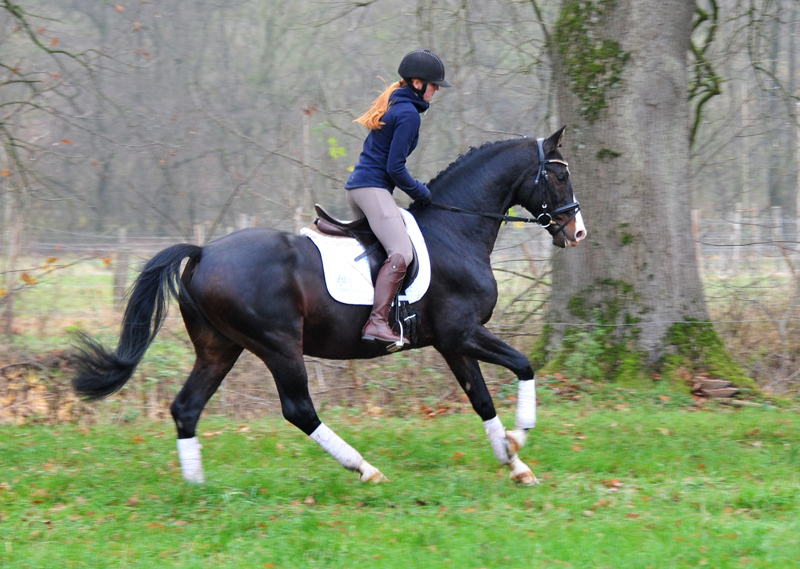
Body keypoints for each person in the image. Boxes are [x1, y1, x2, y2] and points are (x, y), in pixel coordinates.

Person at [345, 49, 451, 348]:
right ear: (418, 84)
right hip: (372, 189)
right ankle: (378, 321)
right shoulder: (407, 115)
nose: (436, 91)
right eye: (434, 85)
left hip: (359, 189)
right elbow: (395, 168)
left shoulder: (397, 105)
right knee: (402, 252)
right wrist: (422, 192)